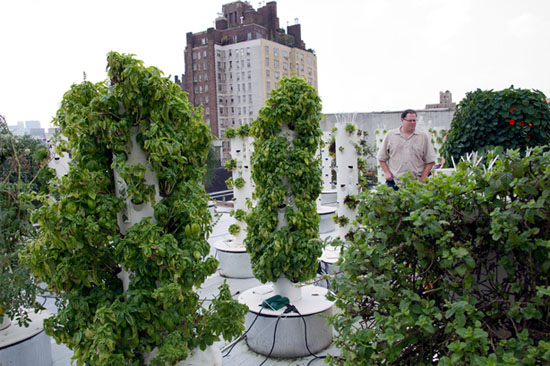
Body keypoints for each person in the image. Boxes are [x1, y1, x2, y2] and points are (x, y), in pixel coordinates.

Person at [377, 109, 437, 190]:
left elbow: (430, 160)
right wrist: (387, 173)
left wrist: (423, 178)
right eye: (410, 121)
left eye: (414, 120)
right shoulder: (391, 136)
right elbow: (381, 158)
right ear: (402, 120)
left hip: (417, 183)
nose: (413, 123)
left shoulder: (422, 137)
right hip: (395, 182)